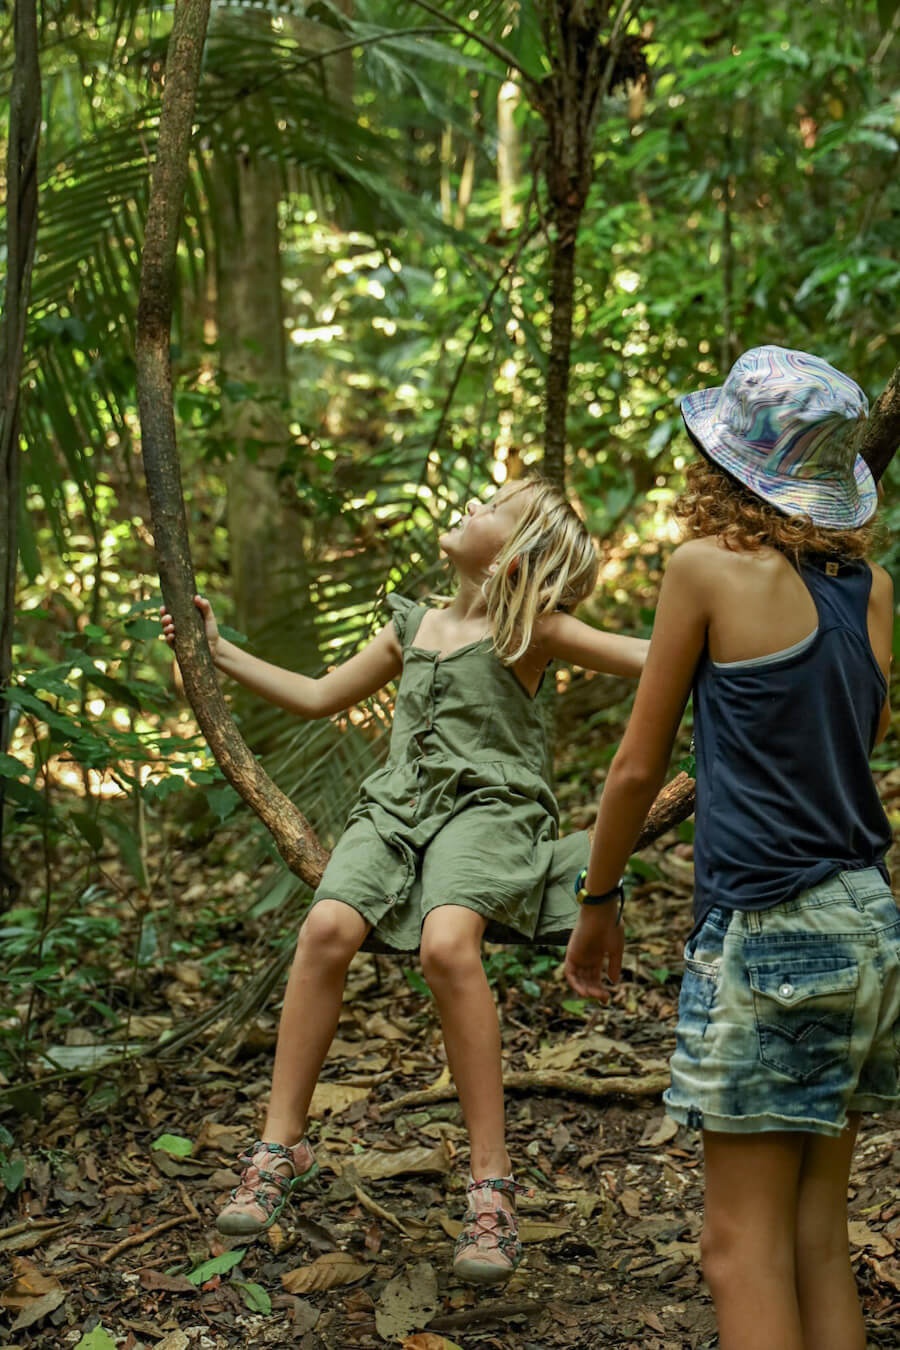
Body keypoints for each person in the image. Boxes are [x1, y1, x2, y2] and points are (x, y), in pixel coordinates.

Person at [161, 475, 648, 1284]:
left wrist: (745, 627)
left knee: (448, 946)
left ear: (516, 558)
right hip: (393, 813)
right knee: (324, 930)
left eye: (492, 509)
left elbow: (650, 656)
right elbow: (319, 698)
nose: (470, 507)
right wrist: (215, 652)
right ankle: (279, 1148)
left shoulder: (536, 630)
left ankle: (490, 1186)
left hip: (489, 812)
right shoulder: (413, 624)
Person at [564, 345, 899, 1350]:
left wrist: (598, 896)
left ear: (724, 465)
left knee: (736, 1248)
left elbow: (635, 769)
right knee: (815, 1237)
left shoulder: (703, 570)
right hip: (867, 922)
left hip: (773, 934)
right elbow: (842, 729)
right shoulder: (871, 589)